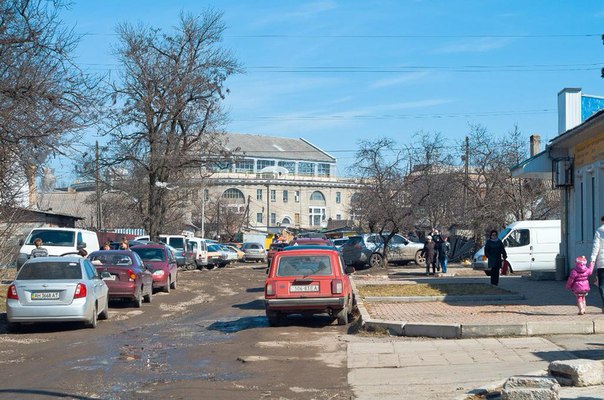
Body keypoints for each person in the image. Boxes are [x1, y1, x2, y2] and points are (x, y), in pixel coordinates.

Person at [589, 215, 604, 312]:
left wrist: (592, 261)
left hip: (602, 263)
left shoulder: (599, 231)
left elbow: (596, 247)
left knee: (602, 284)